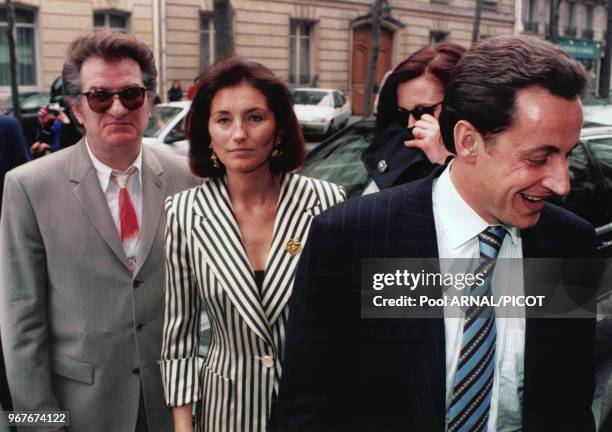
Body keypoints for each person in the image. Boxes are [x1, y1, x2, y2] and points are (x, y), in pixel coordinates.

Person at [278, 35, 597, 431]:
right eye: (539, 158)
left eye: (568, 156)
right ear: (467, 141)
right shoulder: (353, 238)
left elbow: (569, 405)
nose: (561, 183)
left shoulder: (568, 244)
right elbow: (307, 410)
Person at [0, 31, 200, 432]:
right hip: (79, 411)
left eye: (131, 94)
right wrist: (39, 422)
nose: (117, 108)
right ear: (76, 108)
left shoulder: (189, 178)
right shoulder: (27, 186)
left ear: (148, 101)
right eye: (99, 97)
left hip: (177, 405)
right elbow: (20, 320)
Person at [160, 55, 345, 432]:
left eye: (255, 117)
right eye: (223, 119)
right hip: (225, 411)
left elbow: (345, 324)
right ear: (207, 132)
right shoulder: (183, 213)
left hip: (313, 410)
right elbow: (178, 336)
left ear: (278, 128)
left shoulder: (327, 202)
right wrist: (182, 427)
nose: (239, 134)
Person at [362, 43, 465, 194]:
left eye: (424, 111)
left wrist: (445, 161)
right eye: (403, 113)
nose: (412, 124)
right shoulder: (398, 147)